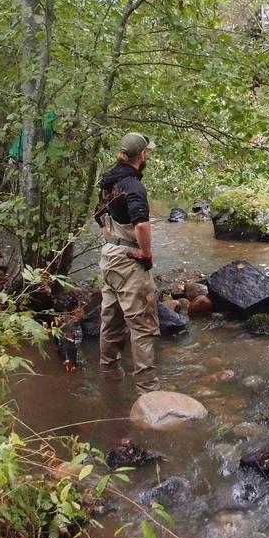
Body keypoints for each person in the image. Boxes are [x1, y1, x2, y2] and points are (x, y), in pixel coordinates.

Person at [94, 132, 159, 394]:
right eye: (147, 153)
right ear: (141, 155)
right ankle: (148, 391)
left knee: (110, 320)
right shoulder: (133, 185)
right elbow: (141, 223)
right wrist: (146, 255)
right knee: (142, 325)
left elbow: (99, 216)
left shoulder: (109, 181)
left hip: (109, 255)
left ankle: (109, 377)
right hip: (129, 259)